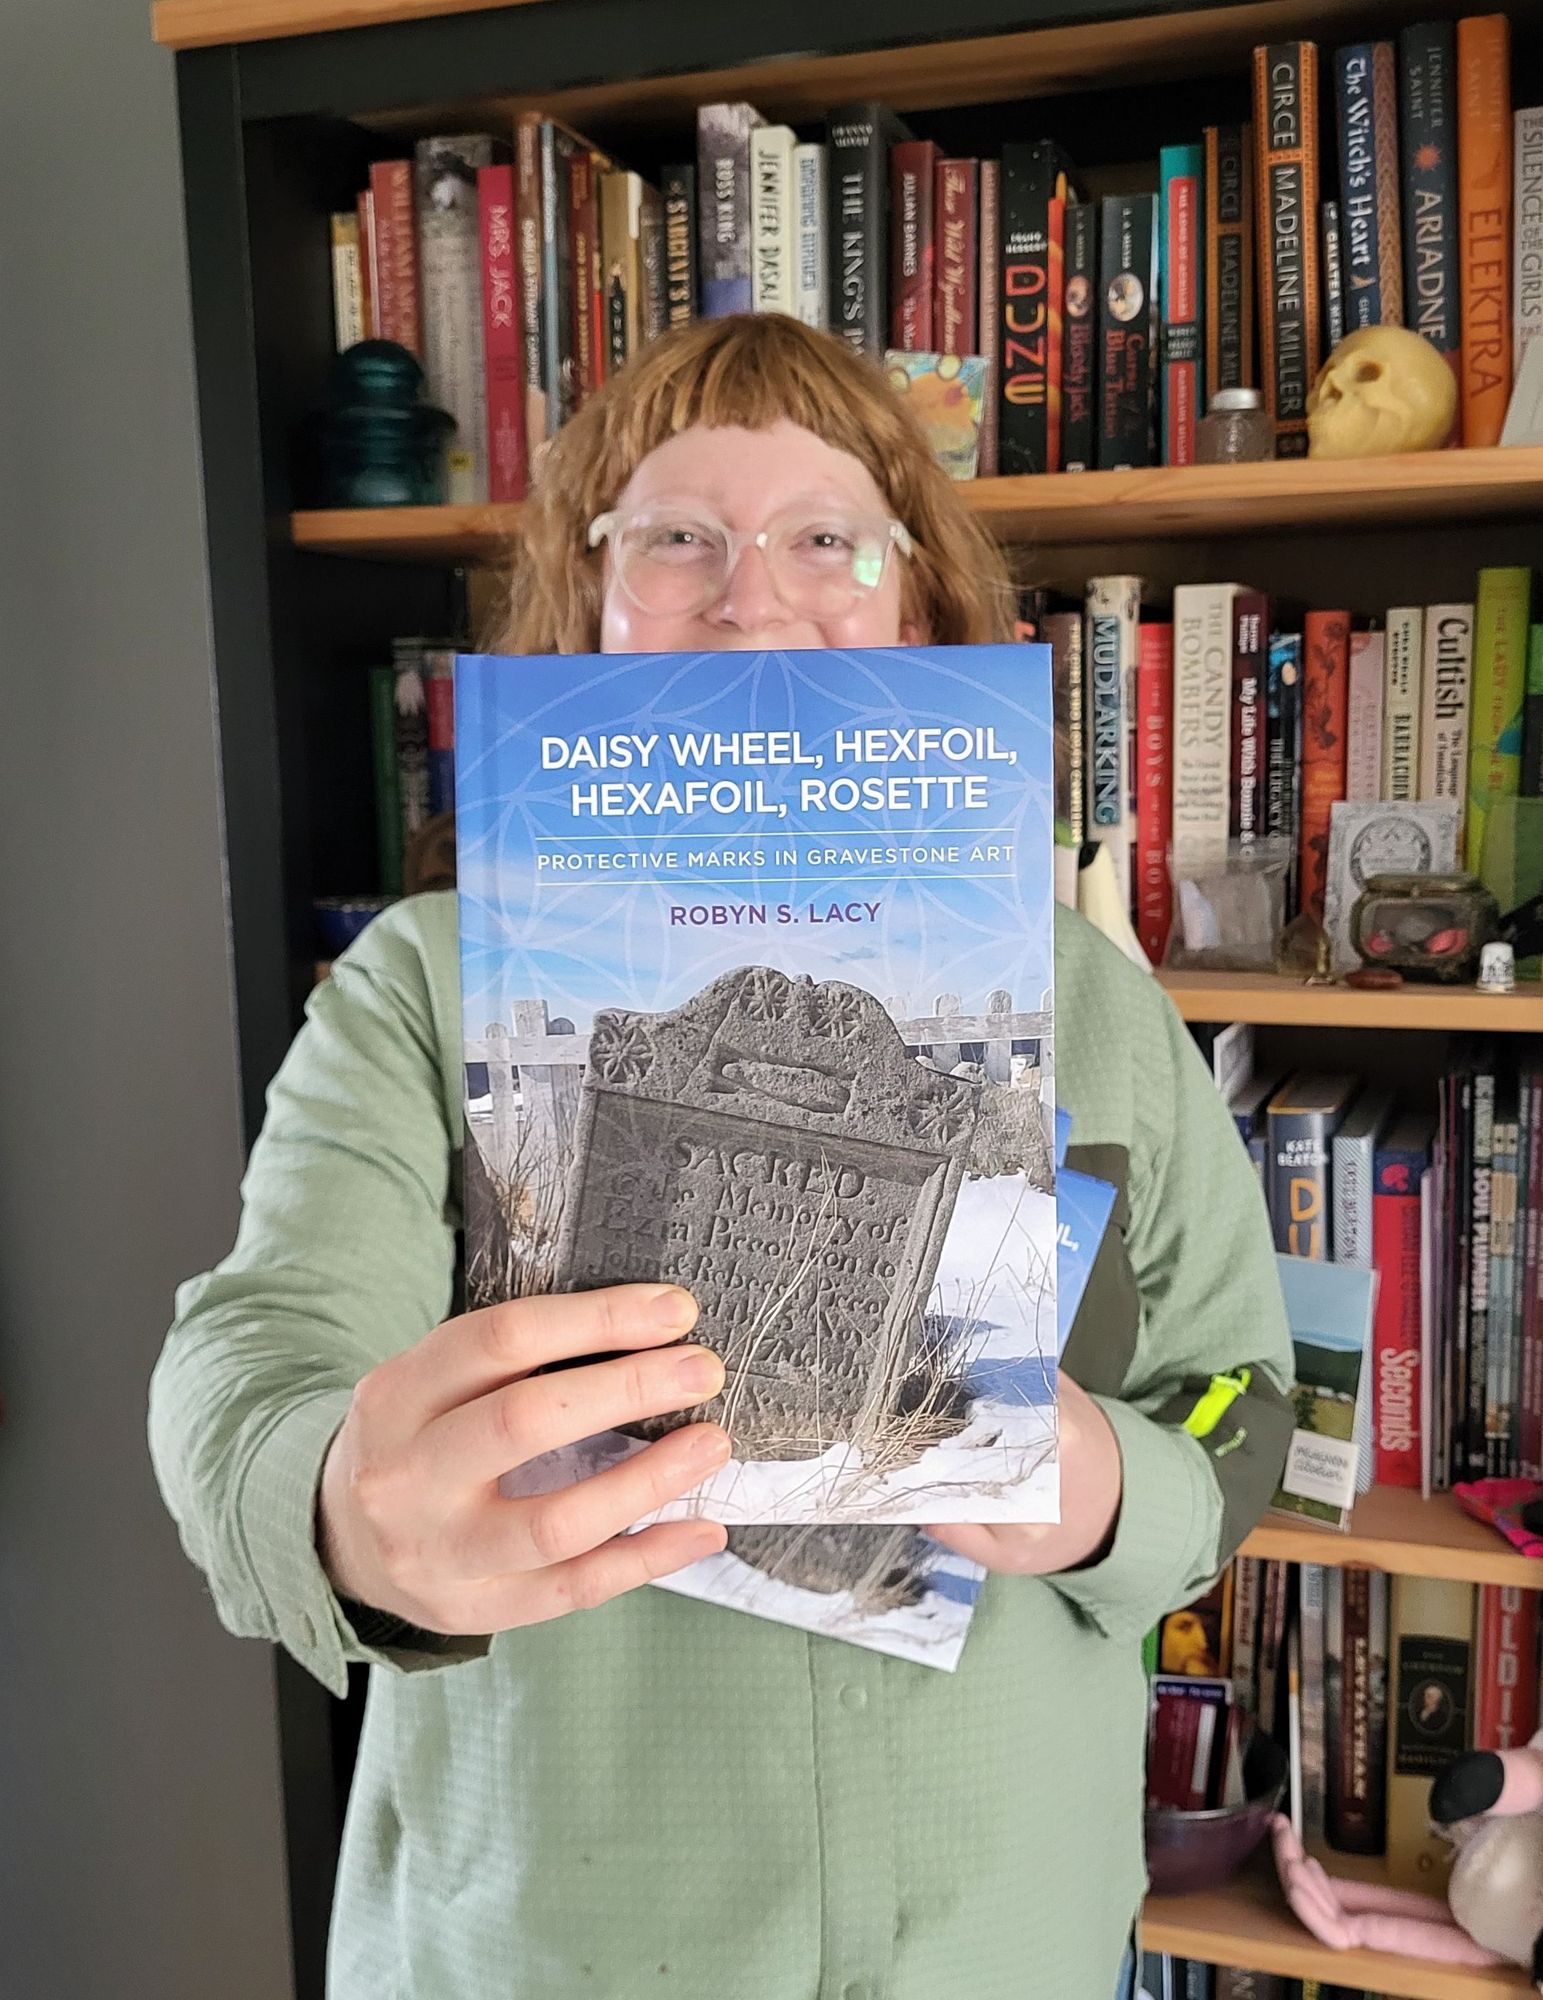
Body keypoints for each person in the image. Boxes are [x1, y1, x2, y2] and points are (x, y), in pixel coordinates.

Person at [148, 313, 1295, 2000]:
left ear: (915, 609)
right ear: (590, 613)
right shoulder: (422, 980)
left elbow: (1239, 1402)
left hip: (1008, 1945)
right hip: (543, 1950)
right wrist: (331, 1508)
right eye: (676, 539)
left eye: (824, 537)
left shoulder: (1094, 1005)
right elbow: (245, 1359)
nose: (754, 598)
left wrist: (1119, 1486)